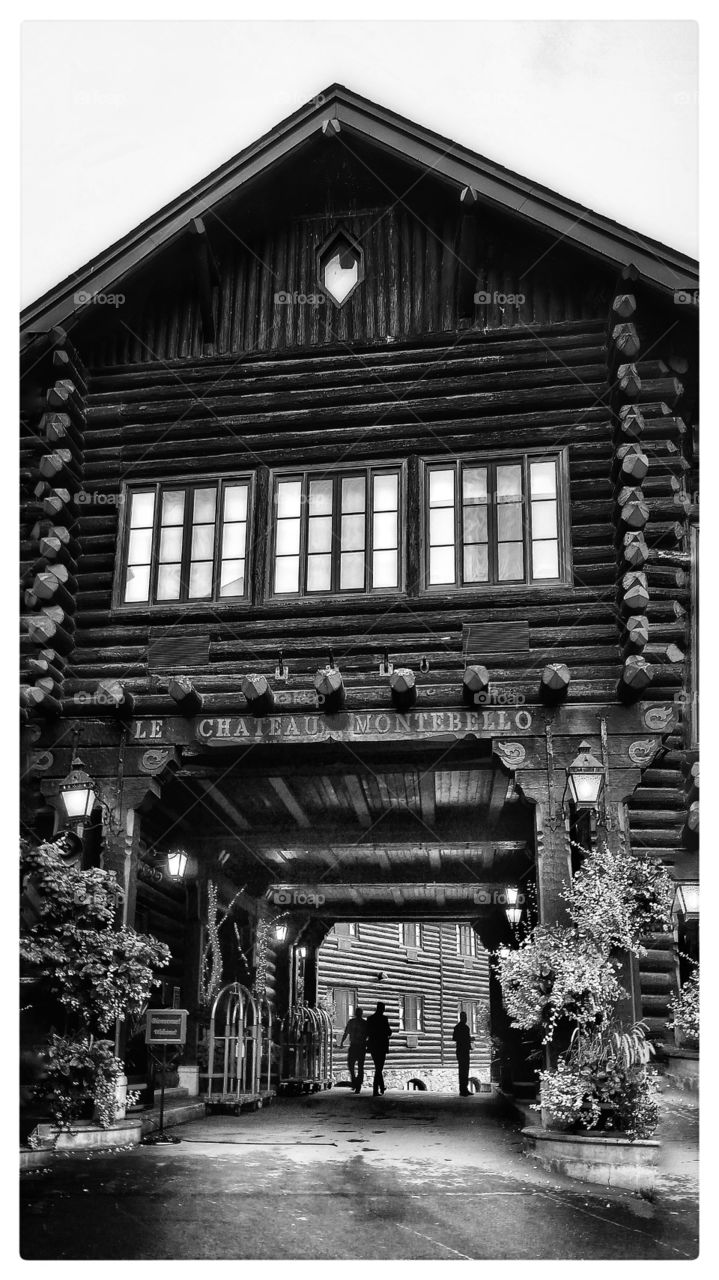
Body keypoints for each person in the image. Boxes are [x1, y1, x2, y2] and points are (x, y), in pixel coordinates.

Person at [365, 1001, 393, 1096]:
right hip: (381, 1046)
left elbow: (367, 1032)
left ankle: (381, 1086)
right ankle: (376, 1089)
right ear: (382, 1009)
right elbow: (389, 1032)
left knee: (378, 1067)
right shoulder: (384, 1019)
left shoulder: (370, 1019)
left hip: (373, 1046)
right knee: (379, 1068)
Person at [340, 1006, 367, 1094]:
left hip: (355, 1046)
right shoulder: (364, 1023)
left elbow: (346, 1033)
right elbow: (368, 1035)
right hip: (360, 1047)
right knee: (359, 1066)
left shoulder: (352, 1022)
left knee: (352, 1065)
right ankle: (357, 1083)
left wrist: (342, 1042)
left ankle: (356, 1083)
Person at [452, 1011, 474, 1096]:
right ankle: (463, 1090)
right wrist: (466, 1040)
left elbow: (454, 1038)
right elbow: (464, 1039)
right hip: (464, 1051)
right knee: (464, 1070)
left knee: (463, 1070)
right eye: (465, 1017)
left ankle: (464, 1089)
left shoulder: (457, 1027)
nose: (465, 1019)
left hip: (460, 1051)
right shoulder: (465, 1028)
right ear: (462, 1018)